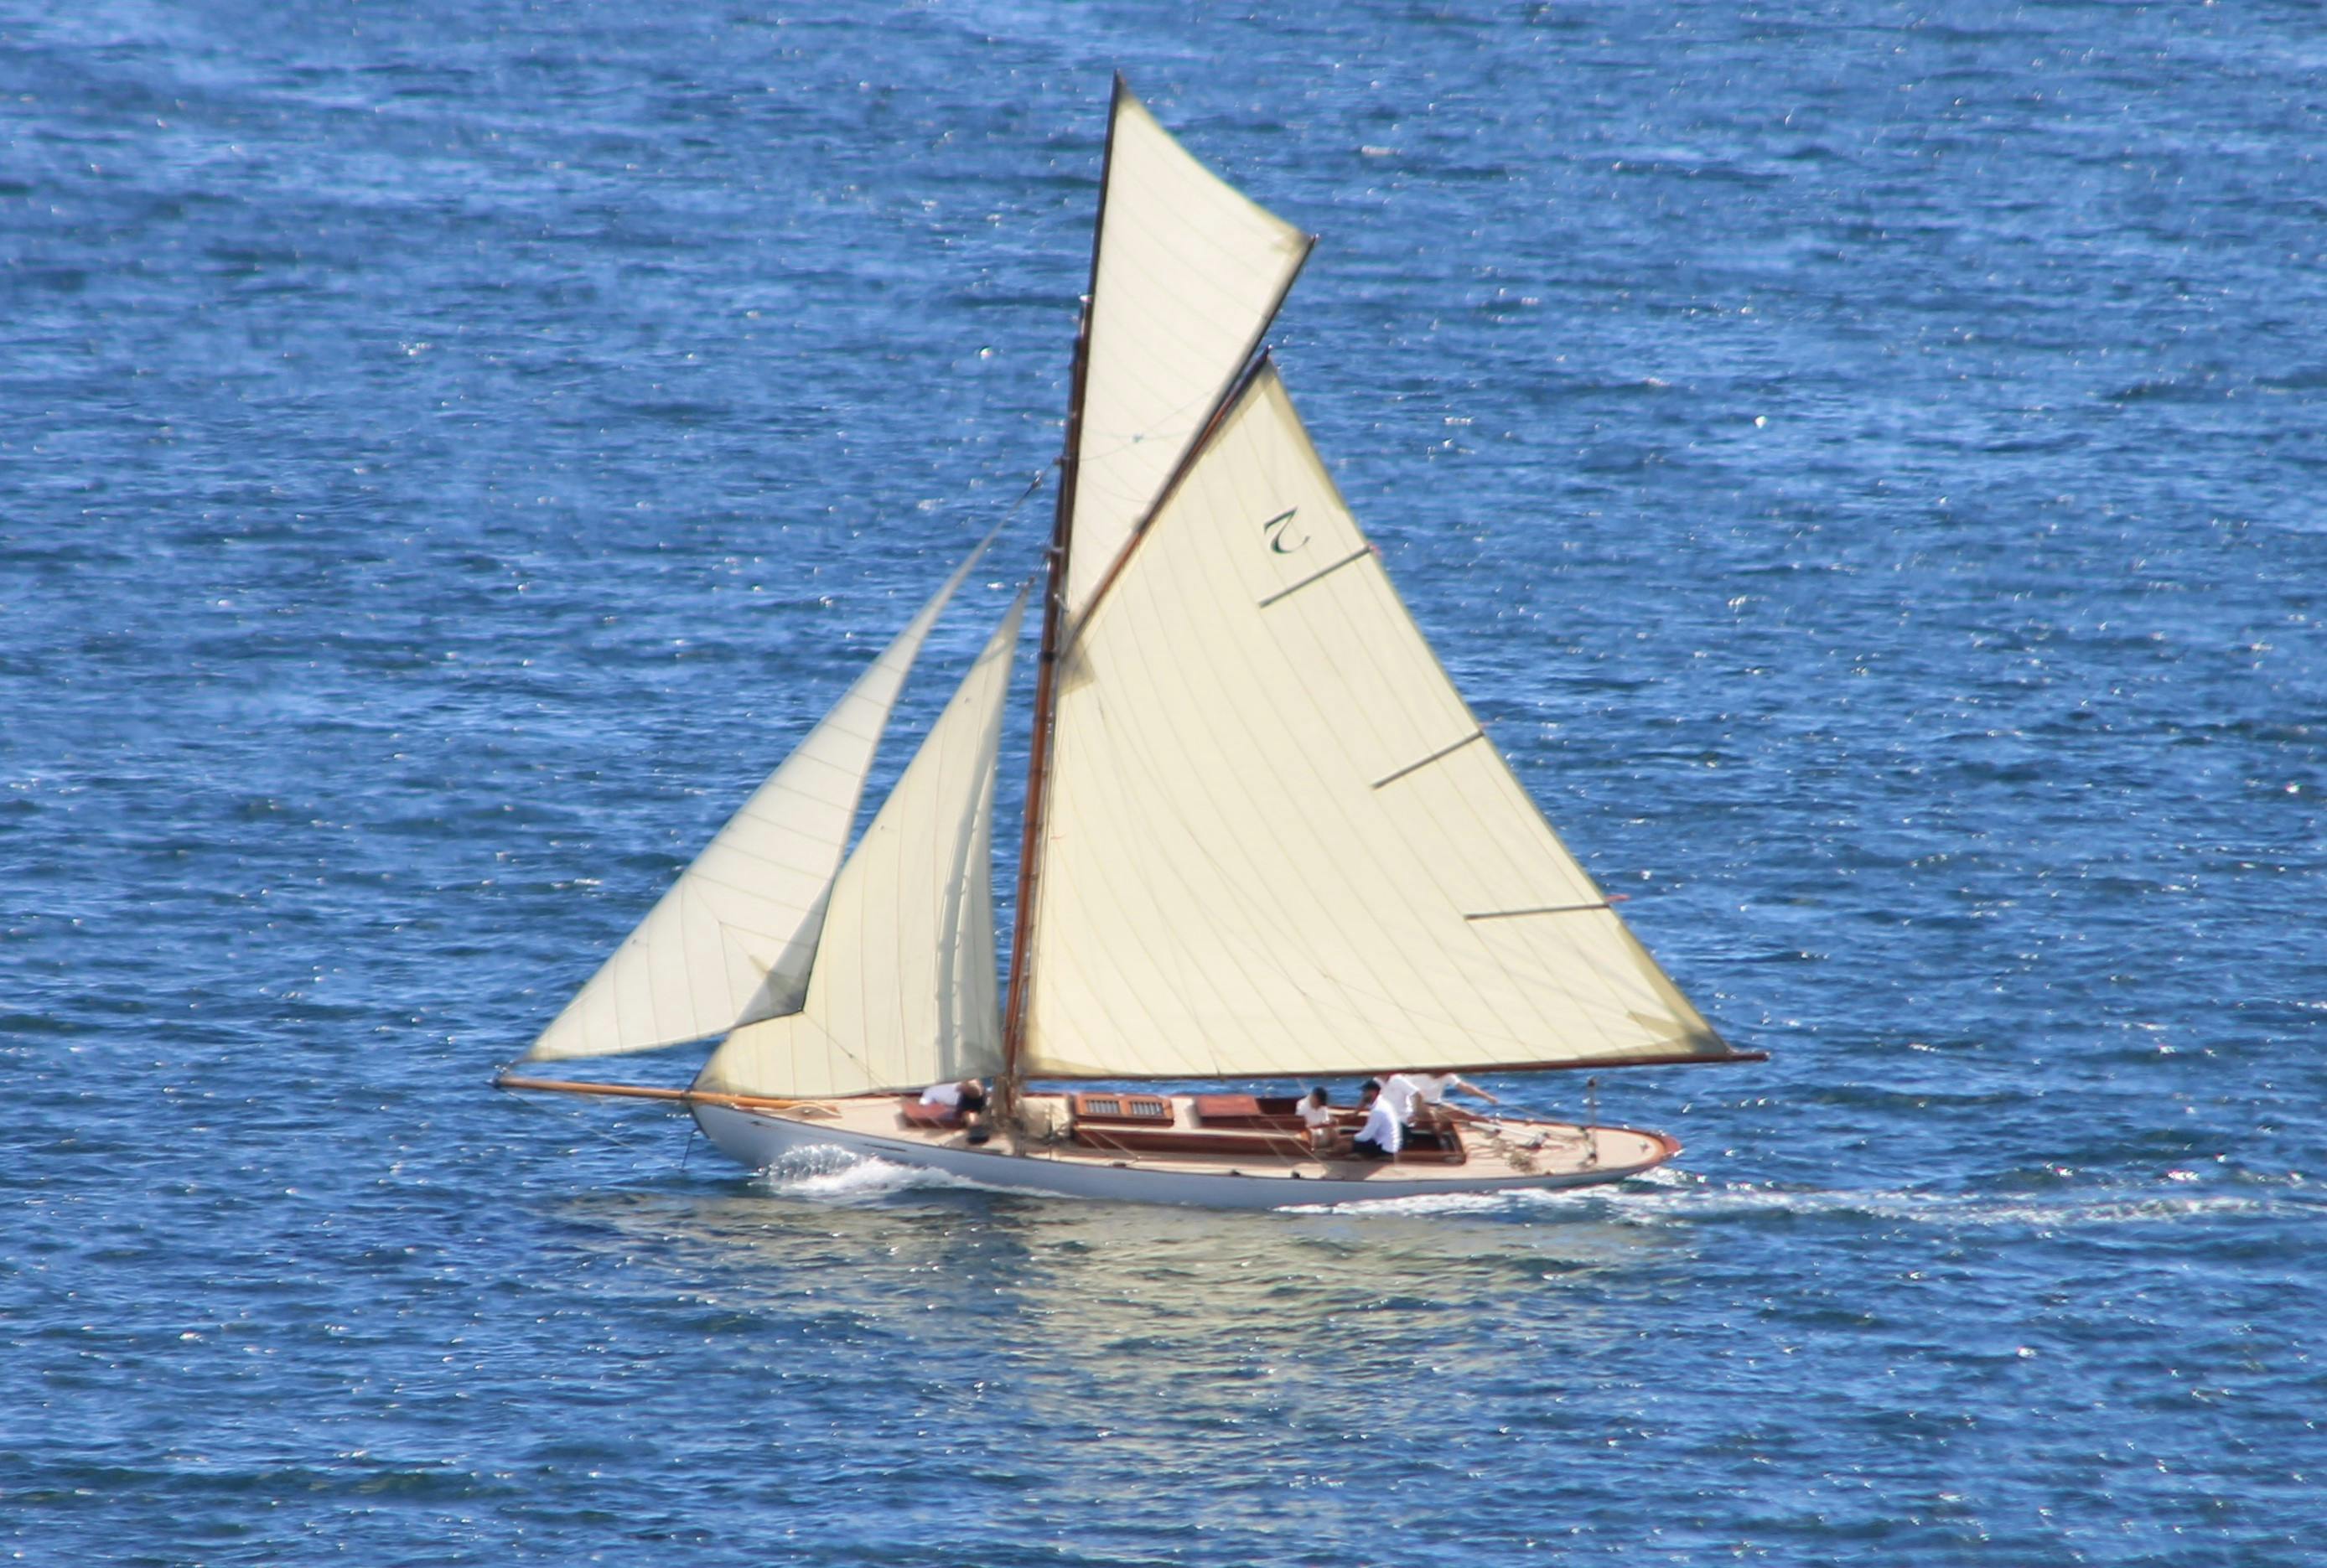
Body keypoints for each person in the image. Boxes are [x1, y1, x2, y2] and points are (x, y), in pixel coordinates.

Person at [1402, 1070, 1500, 1127]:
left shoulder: (1447, 1075)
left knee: (1464, 1115)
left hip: (1436, 1105)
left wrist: (1487, 1097)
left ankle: (1490, 1125)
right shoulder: (1415, 1076)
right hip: (1416, 1107)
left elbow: (1464, 1087)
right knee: (1430, 1117)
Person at [920, 1078, 990, 1141]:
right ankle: (976, 1129)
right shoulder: (931, 1090)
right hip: (968, 1095)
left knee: (969, 1111)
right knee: (970, 1111)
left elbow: (924, 1104)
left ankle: (976, 1129)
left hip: (964, 1095)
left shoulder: (930, 1090)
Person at [1348, 1080, 1402, 1162]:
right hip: (1388, 1145)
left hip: (1384, 1148)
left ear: (1372, 1093)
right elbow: (1364, 1101)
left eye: (1364, 1092)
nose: (1362, 1095)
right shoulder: (1383, 1103)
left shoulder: (1377, 1110)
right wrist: (1356, 1113)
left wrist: (1347, 1138)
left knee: (1346, 1145)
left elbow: (1365, 1136)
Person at [1296, 1087, 1340, 1155]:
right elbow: (1301, 1123)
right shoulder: (1302, 1105)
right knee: (1316, 1133)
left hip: (1321, 1129)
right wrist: (1315, 1127)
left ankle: (1335, 1148)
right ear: (1314, 1097)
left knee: (1334, 1127)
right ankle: (1312, 1149)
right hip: (1309, 1131)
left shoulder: (1322, 1107)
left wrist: (1331, 1123)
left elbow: (1326, 1120)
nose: (1320, 1105)